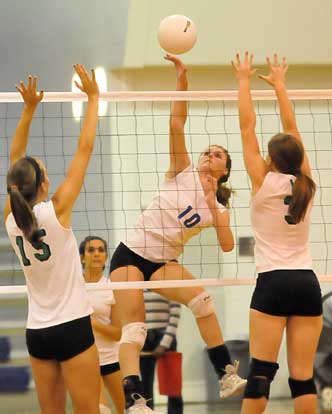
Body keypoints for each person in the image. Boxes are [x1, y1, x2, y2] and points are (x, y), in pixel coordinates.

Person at [110, 54, 246, 414]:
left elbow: (229, 245)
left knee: (203, 301)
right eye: (208, 150)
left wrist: (218, 213)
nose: (209, 154)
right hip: (130, 254)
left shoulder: (217, 208)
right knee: (135, 329)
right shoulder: (181, 170)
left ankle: (226, 374)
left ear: (224, 170)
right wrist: (182, 80)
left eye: (217, 154)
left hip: (162, 262)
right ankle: (135, 399)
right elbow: (176, 121)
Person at [4, 66, 101, 414]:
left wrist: (28, 110)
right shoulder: (57, 210)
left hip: (37, 333)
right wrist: (94, 98)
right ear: (43, 186)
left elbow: (15, 158)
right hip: (72, 327)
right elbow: (85, 148)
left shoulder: (10, 221)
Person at [232, 52, 323, 414]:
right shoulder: (306, 183)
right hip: (306, 283)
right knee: (302, 377)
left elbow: (246, 127)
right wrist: (281, 86)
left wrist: (243, 81)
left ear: (270, 159)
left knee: (261, 373)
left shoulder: (263, 181)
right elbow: (294, 130)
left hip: (272, 282)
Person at [79, 235, 125, 414]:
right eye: (91, 250)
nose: (96, 254)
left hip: (112, 357)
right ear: (82, 257)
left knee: (126, 408)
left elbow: (117, 333)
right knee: (100, 410)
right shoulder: (73, 285)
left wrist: (90, 322)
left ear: (106, 256)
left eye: (101, 250)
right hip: (85, 358)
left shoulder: (112, 287)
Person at [140, 290, 183, 414]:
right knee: (144, 386)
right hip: (144, 336)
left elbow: (175, 315)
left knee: (172, 385)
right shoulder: (138, 283)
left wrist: (164, 343)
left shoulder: (167, 283)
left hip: (165, 336)